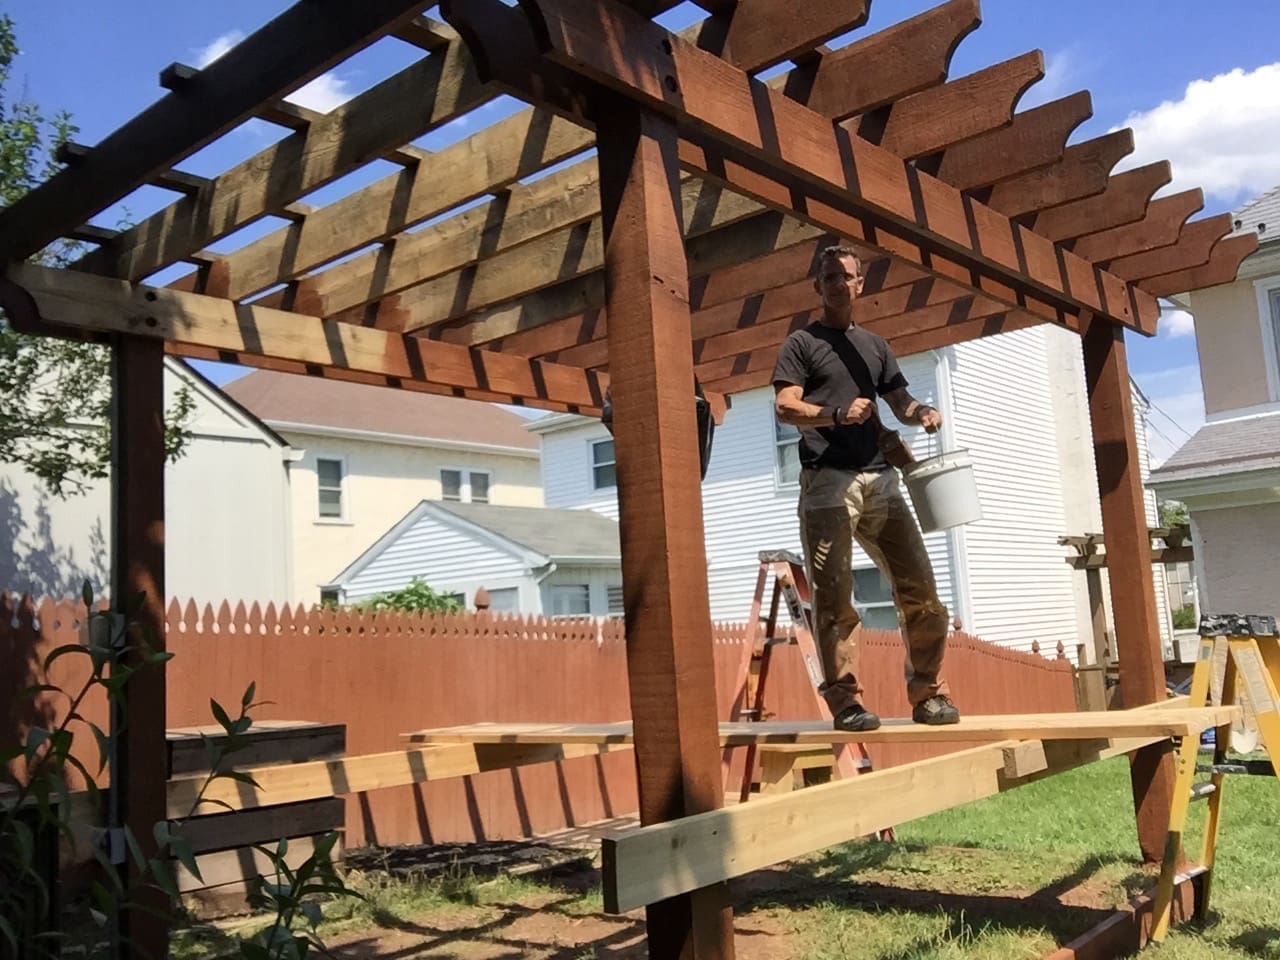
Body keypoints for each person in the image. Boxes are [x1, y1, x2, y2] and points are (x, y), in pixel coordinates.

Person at [772, 245, 960, 730]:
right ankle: (847, 703)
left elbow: (899, 400)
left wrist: (923, 413)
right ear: (818, 285)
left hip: (881, 480)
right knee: (834, 596)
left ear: (861, 285)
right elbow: (785, 406)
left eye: (847, 276)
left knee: (922, 590)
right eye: (829, 276)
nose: (838, 283)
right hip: (827, 484)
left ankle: (929, 694)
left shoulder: (875, 346)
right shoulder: (801, 343)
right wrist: (834, 415)